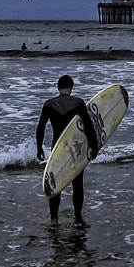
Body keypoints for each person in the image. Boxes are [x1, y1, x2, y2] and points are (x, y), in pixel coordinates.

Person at [36, 74, 96, 226]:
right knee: (78, 184)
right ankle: (78, 218)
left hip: (57, 148)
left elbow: (41, 127)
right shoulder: (78, 103)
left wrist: (39, 147)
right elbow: (88, 127)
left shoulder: (49, 104)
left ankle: (54, 220)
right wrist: (94, 147)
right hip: (76, 149)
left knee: (55, 182)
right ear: (71, 88)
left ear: (58, 88)